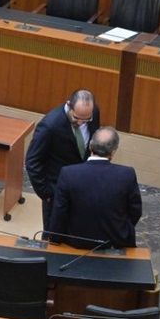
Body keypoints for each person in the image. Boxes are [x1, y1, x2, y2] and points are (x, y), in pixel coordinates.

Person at [46, 127, 142, 250]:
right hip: (114, 244)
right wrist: (120, 229)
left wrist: (54, 239)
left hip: (76, 243)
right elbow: (135, 211)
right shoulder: (127, 174)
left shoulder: (68, 173)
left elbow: (60, 212)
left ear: (90, 146)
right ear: (113, 152)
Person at [26, 89, 100, 230]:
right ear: (69, 105)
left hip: (83, 185)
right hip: (57, 188)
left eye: (86, 119)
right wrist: (46, 193)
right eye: (77, 117)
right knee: (53, 231)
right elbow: (32, 161)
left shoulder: (93, 113)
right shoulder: (49, 126)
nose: (81, 122)